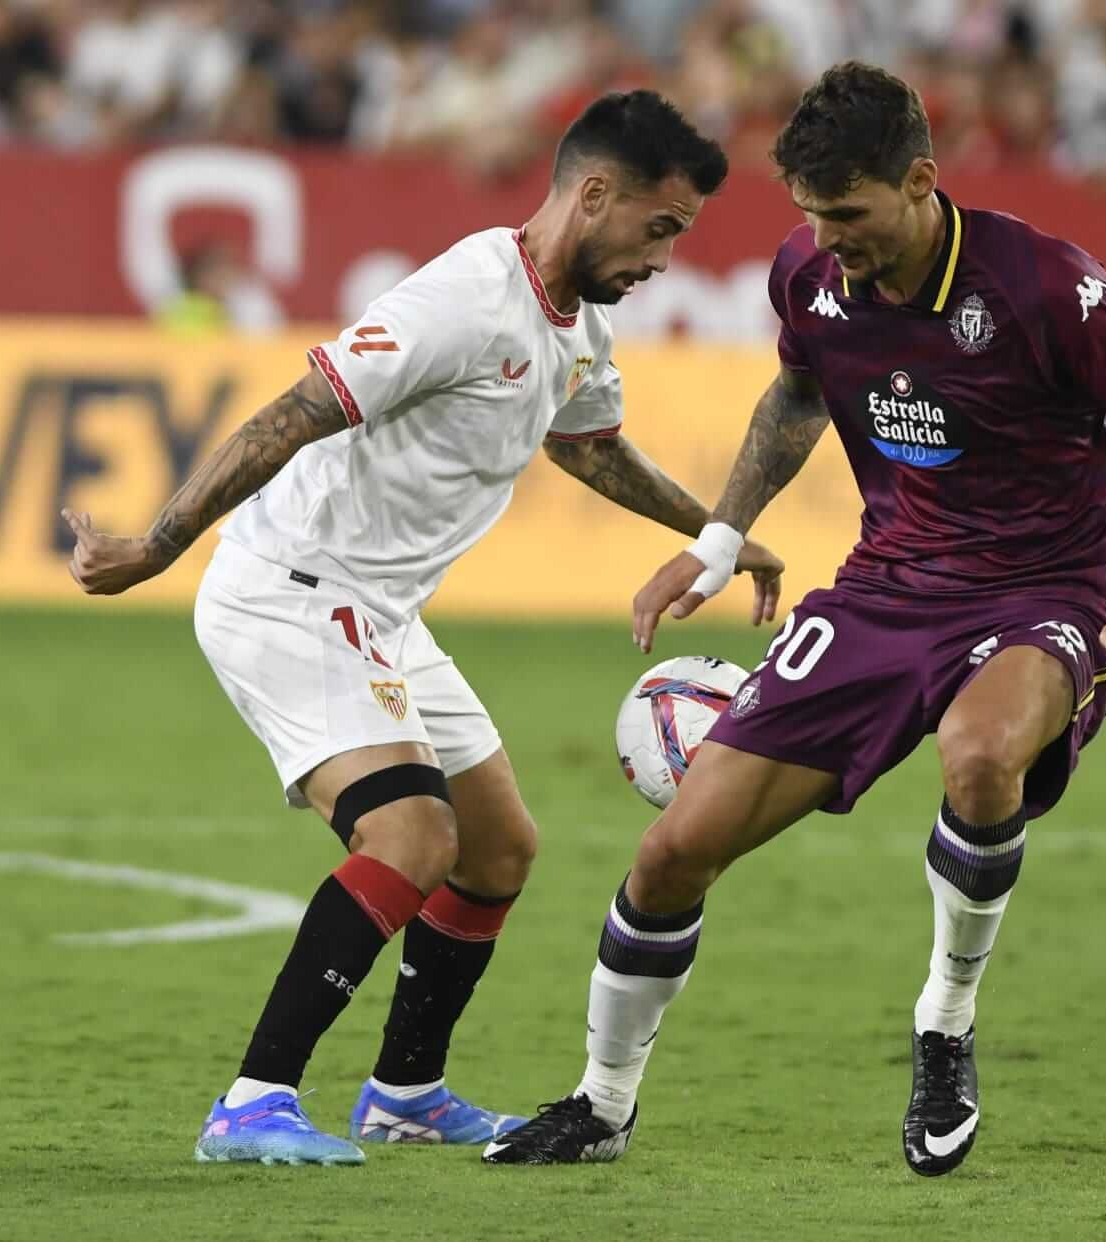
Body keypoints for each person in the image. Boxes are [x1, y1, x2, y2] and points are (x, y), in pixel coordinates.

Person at [485, 62, 1106, 1176]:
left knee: (978, 760)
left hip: (1043, 591)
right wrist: (719, 539)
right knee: (675, 848)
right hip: (886, 589)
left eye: (850, 215)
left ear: (920, 182)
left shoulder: (1041, 287)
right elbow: (795, 389)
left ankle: (943, 1022)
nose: (829, 243)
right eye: (812, 217)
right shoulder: (808, 276)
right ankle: (599, 1105)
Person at [63, 90, 781, 1166]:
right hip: (290, 588)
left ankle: (405, 1092)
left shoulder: (576, 320)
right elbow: (291, 413)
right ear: (592, 196)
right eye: (660, 227)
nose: (665, 258)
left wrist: (722, 531)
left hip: (380, 610)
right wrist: (158, 546)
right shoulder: (462, 299)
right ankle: (251, 1102)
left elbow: (586, 446)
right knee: (412, 836)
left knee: (497, 849)